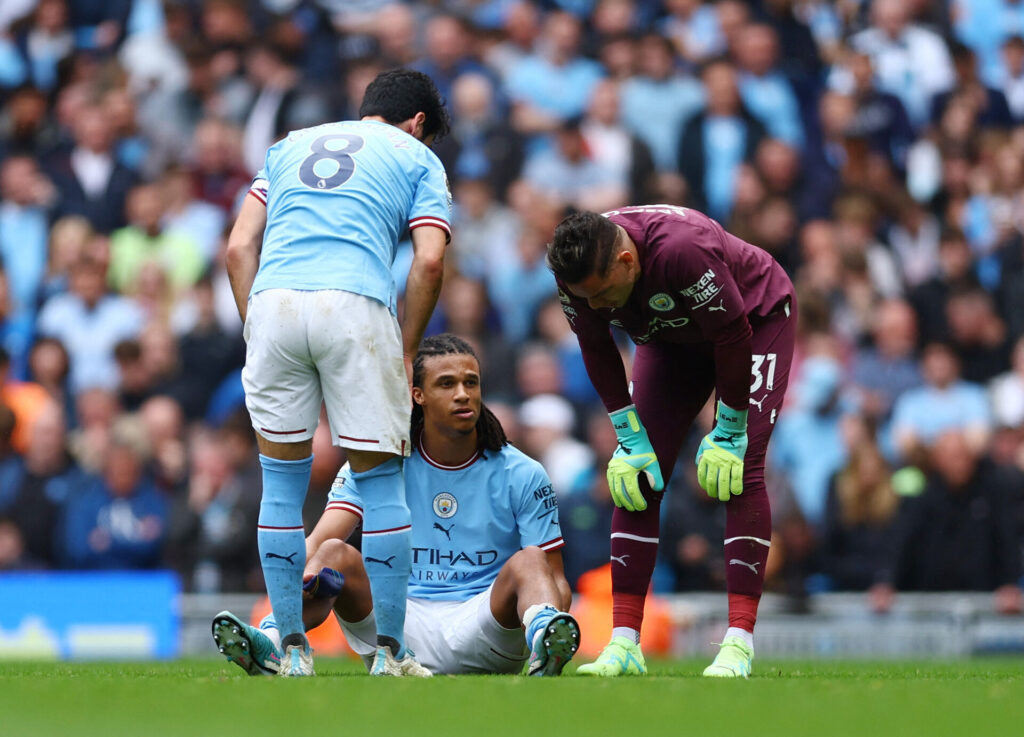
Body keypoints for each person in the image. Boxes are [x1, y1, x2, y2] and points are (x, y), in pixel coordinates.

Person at [225, 69, 451, 677]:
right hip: (353, 303)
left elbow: (238, 247)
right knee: (379, 487)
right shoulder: (415, 156)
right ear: (419, 123)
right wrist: (406, 350)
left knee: (280, 486)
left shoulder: (290, 143)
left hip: (272, 301)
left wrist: (257, 328)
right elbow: (428, 260)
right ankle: (391, 654)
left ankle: (292, 652)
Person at [211, 335, 578, 676]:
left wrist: (554, 613)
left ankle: (544, 641)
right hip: (393, 626)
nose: (463, 394)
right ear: (417, 395)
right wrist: (294, 589)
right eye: (447, 384)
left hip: (485, 626)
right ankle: (273, 641)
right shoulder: (376, 465)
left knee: (532, 559)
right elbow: (318, 542)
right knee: (333, 553)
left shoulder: (524, 472)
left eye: (471, 382)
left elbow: (554, 577)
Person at [547, 205, 797, 678]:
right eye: (587, 299)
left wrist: (727, 430)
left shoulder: (681, 249)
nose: (598, 308)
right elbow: (596, 346)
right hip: (669, 337)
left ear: (626, 260)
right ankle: (623, 643)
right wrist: (627, 434)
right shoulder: (574, 270)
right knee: (637, 472)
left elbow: (732, 334)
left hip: (754, 321)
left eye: (603, 295)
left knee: (738, 468)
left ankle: (738, 643)